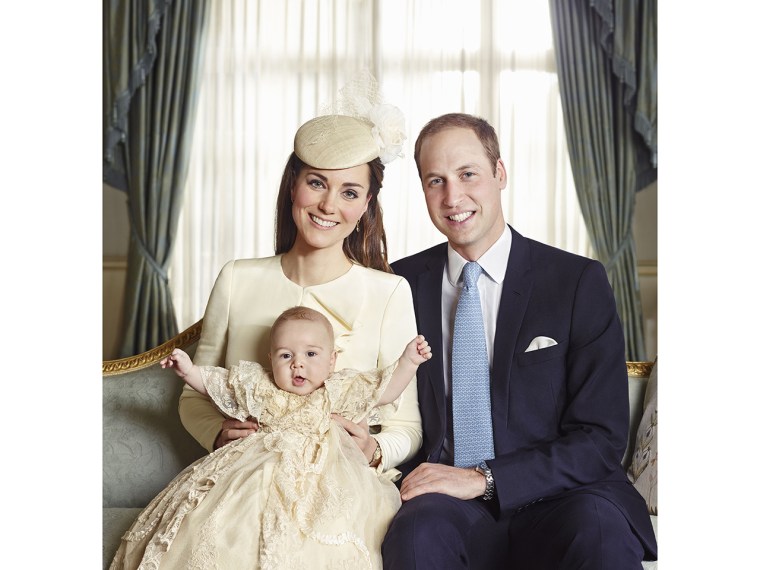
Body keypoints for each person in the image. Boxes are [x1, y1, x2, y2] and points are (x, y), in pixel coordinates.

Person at [381, 113, 658, 569]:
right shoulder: (398, 284)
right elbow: (379, 399)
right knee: (415, 535)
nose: (453, 197)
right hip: (445, 503)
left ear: (500, 174)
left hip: (564, 495)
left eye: (468, 174)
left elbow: (601, 438)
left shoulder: (576, 281)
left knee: (599, 532)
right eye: (436, 181)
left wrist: (485, 478)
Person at [177, 92, 422, 485]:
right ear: (294, 186)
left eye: (349, 192)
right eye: (316, 183)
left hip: (343, 486)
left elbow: (407, 424)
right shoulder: (237, 278)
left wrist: (375, 450)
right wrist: (217, 433)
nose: (328, 205)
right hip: (248, 481)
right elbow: (194, 398)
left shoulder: (390, 292)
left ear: (365, 205)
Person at [110, 306, 432, 569]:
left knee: (331, 531)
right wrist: (187, 369)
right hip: (257, 470)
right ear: (270, 360)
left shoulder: (338, 390)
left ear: (332, 361)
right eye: (286, 356)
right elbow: (216, 383)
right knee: (221, 523)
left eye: (311, 354)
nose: (298, 365)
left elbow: (383, 390)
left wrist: (408, 361)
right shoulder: (262, 388)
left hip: (324, 475)